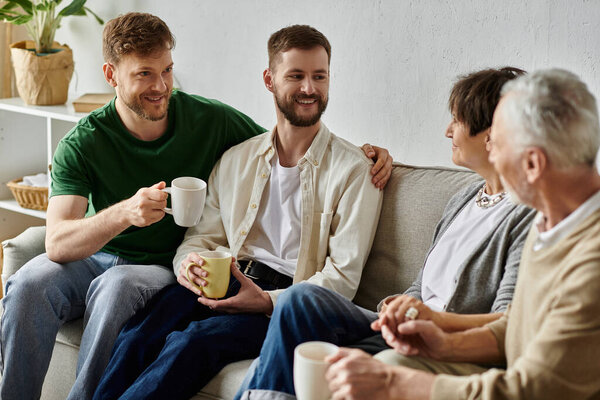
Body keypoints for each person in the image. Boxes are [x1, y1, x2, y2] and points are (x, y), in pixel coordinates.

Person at [0, 14, 391, 400]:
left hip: (247, 288)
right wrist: (160, 239)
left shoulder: (221, 126)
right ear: (111, 74)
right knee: (75, 307)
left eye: (167, 70)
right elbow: (63, 243)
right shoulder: (87, 142)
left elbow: (298, 145)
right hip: (157, 265)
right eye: (144, 74)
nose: (161, 85)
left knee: (181, 335)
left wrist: (365, 154)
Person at [235, 67, 537, 400]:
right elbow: (422, 287)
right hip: (401, 327)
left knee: (322, 363)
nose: (448, 131)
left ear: (491, 134)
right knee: (299, 299)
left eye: (458, 120)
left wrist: (430, 320)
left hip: (443, 343)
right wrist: (398, 304)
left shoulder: (527, 215)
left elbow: (507, 321)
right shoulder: (463, 199)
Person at [326, 68, 600, 400]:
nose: (492, 157)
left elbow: (533, 389)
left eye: (496, 145)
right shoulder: (552, 223)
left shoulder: (590, 262)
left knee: (391, 367)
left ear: (532, 164)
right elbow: (516, 324)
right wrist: (446, 344)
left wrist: (393, 384)